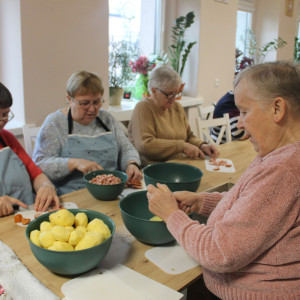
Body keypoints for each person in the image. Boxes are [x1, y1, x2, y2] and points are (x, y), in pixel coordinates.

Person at [147, 61, 300, 300]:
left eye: (245, 112)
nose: (239, 122)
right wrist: (202, 201)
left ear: (278, 108)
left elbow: (218, 252)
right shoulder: (280, 155)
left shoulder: (282, 170)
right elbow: (249, 203)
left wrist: (170, 214)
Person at [33, 71, 142, 195]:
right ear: (69, 99)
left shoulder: (106, 119)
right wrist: (72, 163)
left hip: (112, 191)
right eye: (84, 103)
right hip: (73, 196)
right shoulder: (55, 123)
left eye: (97, 102)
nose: (92, 109)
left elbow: (126, 148)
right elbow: (40, 165)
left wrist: (131, 164)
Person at [128, 66, 219, 166]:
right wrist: (181, 146)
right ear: (154, 91)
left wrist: (202, 145)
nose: (174, 98)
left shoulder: (177, 107)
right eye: (169, 94)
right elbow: (145, 145)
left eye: (176, 93)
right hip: (153, 168)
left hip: (178, 163)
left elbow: (188, 136)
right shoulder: (143, 107)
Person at [0, 82, 59, 216]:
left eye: (5, 114)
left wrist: (47, 187)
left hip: (26, 216)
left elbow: (36, 174)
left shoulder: (7, 138)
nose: (1, 121)